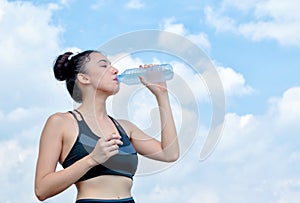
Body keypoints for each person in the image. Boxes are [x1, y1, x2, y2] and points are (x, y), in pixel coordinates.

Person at [34, 50, 179, 203]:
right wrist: (92, 159)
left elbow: (169, 153)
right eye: (104, 66)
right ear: (84, 78)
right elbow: (42, 190)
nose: (115, 70)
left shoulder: (125, 128)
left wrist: (162, 95)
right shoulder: (61, 122)